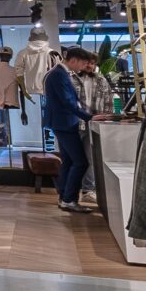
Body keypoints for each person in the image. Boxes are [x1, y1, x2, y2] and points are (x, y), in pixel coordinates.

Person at [43, 45, 97, 212]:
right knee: (80, 162)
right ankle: (69, 199)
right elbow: (67, 101)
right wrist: (89, 117)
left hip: (63, 122)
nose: (84, 67)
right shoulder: (58, 74)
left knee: (69, 161)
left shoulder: (60, 73)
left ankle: (64, 197)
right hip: (64, 123)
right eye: (83, 63)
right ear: (74, 60)